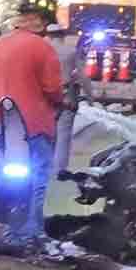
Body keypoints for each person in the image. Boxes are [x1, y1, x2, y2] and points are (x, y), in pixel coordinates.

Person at [0, 0, 64, 254]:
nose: (47, 30)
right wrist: (63, 102)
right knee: (37, 178)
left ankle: (11, 228)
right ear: (38, 21)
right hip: (34, 125)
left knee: (7, 179)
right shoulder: (42, 48)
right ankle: (32, 232)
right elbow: (53, 89)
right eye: (46, 23)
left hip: (1, 126)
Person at [46, 23, 93, 175]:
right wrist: (90, 96)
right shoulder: (71, 51)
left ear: (48, 35)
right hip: (67, 96)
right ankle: (59, 170)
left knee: (44, 134)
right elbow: (82, 76)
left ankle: (42, 166)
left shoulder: (41, 51)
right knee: (63, 135)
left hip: (45, 97)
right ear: (63, 35)